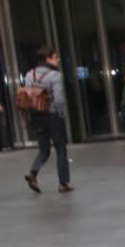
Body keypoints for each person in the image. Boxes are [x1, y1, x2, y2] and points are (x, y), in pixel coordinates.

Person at [22, 46, 72, 194]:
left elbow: (27, 95)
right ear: (47, 58)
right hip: (53, 116)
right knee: (61, 149)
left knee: (44, 150)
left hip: (36, 117)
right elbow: (59, 100)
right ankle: (63, 184)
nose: (57, 60)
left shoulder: (29, 74)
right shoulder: (55, 75)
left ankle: (33, 174)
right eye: (55, 57)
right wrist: (61, 115)